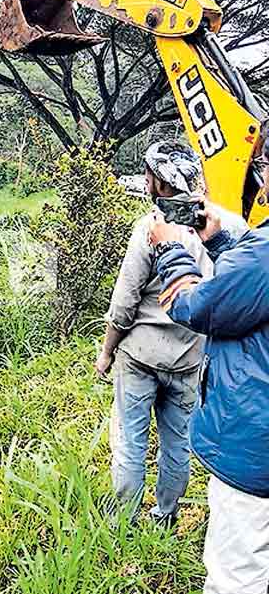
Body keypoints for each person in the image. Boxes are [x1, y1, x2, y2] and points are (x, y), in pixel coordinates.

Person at [150, 136, 269, 593]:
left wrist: (172, 250)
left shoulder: (260, 255)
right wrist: (222, 241)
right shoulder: (254, 253)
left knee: (235, 577)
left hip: (254, 448)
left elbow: (196, 306)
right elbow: (251, 290)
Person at [95, 141, 212, 528]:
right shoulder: (211, 228)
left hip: (140, 357)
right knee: (177, 444)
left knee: (130, 443)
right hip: (190, 358)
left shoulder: (150, 229)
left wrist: (107, 352)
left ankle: (124, 522)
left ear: (158, 184)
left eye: (148, 174)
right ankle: (165, 517)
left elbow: (125, 301)